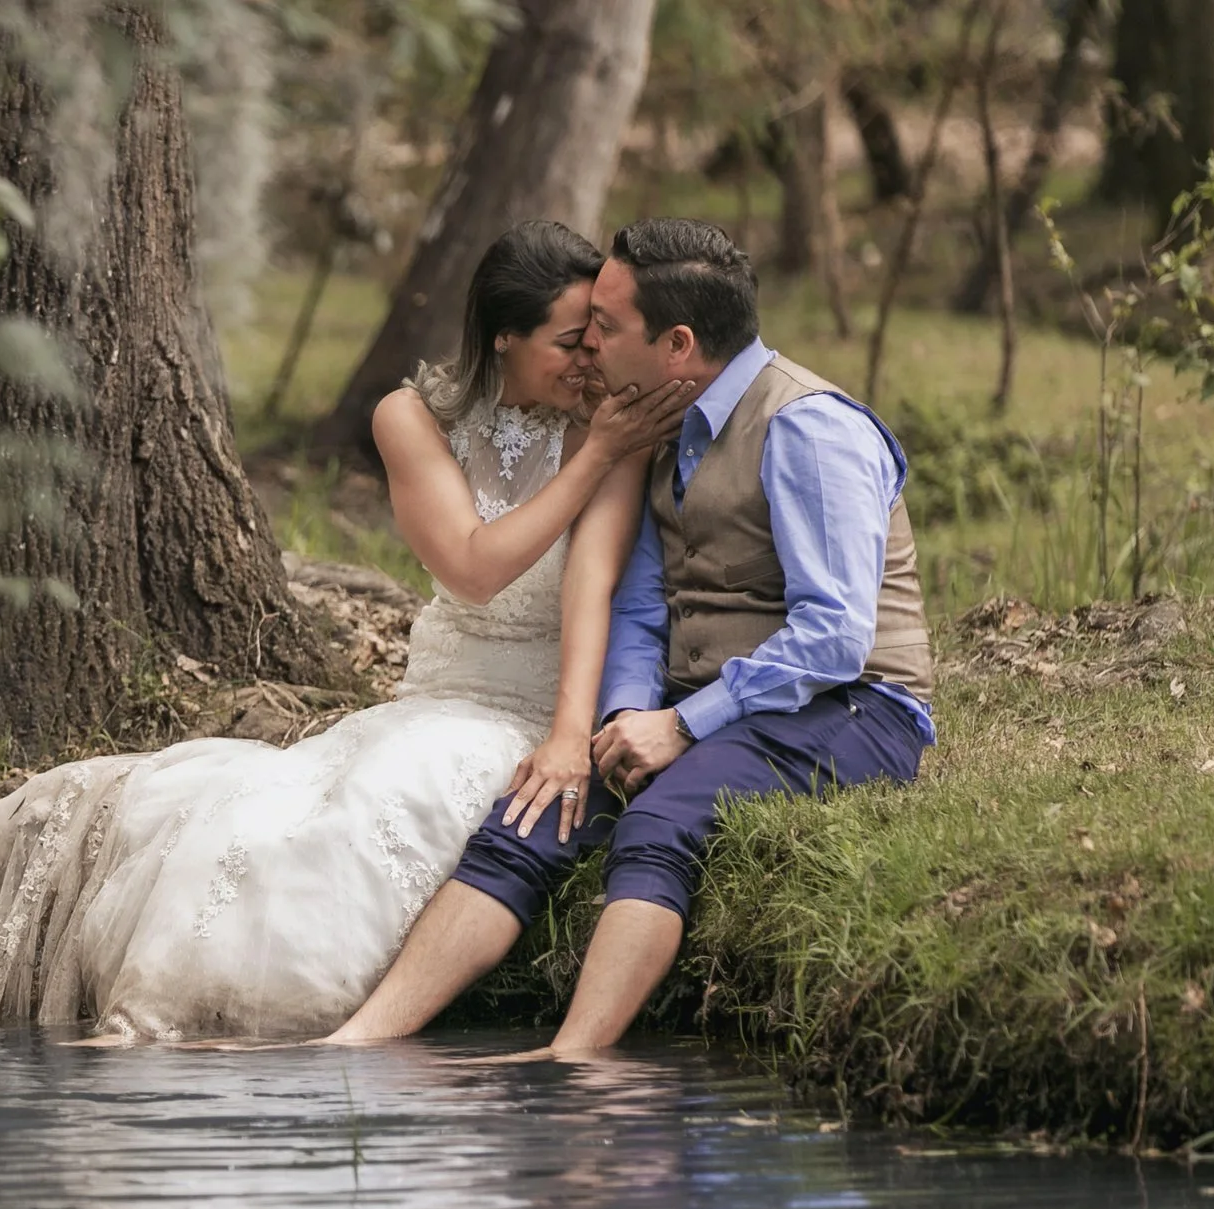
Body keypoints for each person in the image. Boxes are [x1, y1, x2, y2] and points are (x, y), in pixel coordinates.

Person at [0, 221, 693, 1041]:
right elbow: (474, 571)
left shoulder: (608, 425)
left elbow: (593, 587)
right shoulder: (412, 418)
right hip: (439, 692)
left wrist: (567, 735)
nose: (593, 359)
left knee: (389, 797)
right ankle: (181, 1011)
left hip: (533, 704)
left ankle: (296, 1026)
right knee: (283, 803)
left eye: (598, 335)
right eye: (570, 342)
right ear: (504, 338)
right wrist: (595, 458)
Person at [323, 217, 936, 1052]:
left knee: (661, 821)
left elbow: (835, 640)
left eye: (606, 328)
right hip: (723, 703)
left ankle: (571, 1059)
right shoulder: (664, 427)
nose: (592, 349)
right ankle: (357, 1040)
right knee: (536, 815)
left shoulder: (809, 428)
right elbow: (644, 609)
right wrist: (620, 720)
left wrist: (683, 724)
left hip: (855, 706)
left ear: (676, 343)